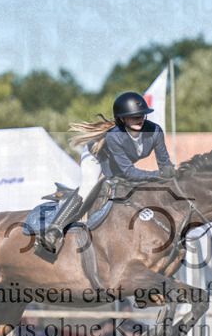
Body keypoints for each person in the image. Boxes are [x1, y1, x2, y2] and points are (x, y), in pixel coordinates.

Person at [40, 91, 176, 253]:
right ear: (122, 119)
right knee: (89, 186)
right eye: (133, 116)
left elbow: (165, 163)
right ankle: (53, 230)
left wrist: (172, 173)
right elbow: (129, 173)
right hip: (96, 157)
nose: (139, 119)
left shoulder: (155, 131)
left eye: (141, 115)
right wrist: (157, 176)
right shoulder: (114, 136)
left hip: (121, 162)